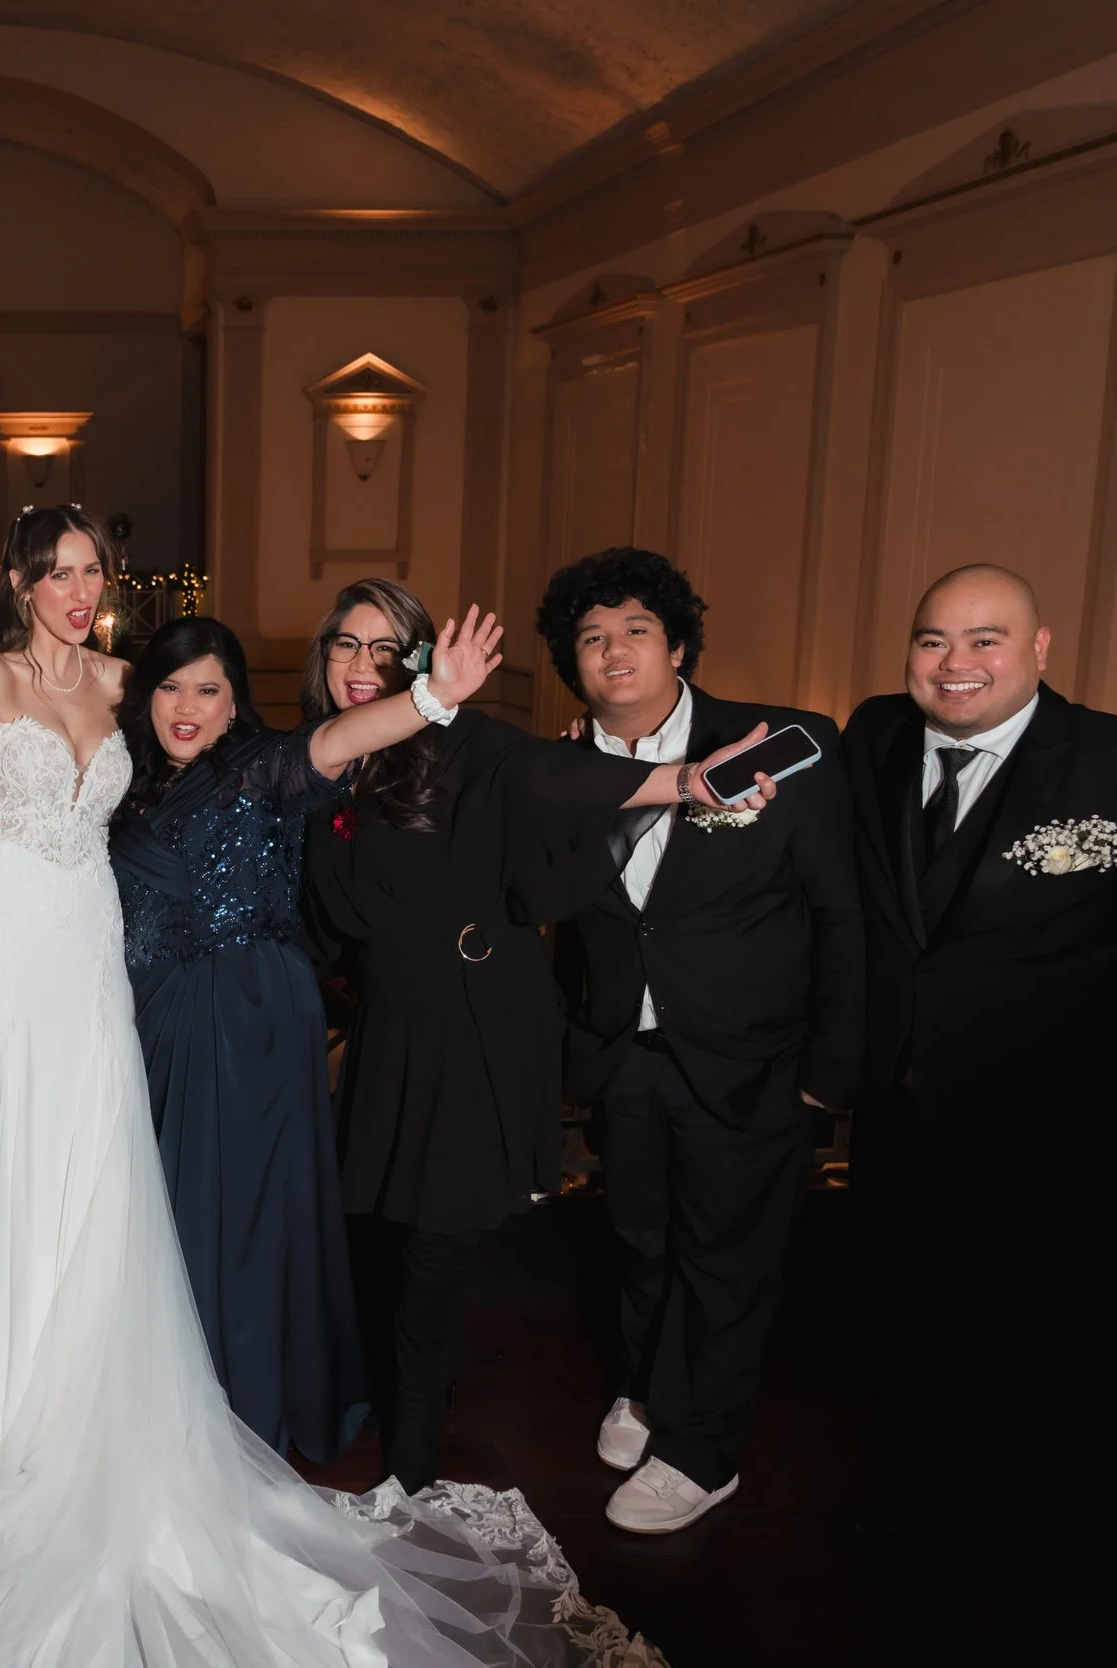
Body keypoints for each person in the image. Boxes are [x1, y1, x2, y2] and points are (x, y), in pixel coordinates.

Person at [0, 508, 674, 1667]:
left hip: (89, 953)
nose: (79, 591)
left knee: (94, 1163)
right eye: (58, 573)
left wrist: (433, 699)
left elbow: (313, 747)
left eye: (93, 572)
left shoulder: (128, 681)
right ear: (20, 582)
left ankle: (75, 1389)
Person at [301, 577, 779, 1499]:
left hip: (471, 1020)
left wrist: (684, 781)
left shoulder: (465, 743)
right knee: (389, 1235)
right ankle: (416, 1399)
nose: (365, 666)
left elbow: (549, 775)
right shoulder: (320, 761)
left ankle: (410, 1472)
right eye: (347, 645)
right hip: (390, 1026)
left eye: (389, 648)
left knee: (433, 1245)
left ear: (424, 662)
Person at [836, 566, 1117, 1578]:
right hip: (895, 1105)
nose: (956, 664)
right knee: (907, 1319)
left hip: (1055, 1119)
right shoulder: (875, 732)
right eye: (933, 640)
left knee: (1046, 1335)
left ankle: (1048, 1551)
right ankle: (921, 1512)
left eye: (986, 639)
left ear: (1039, 648)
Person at [537, 548, 863, 1535]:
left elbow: (839, 912)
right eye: (591, 638)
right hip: (627, 1059)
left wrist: (830, 1069)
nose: (614, 651)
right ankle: (646, 1387)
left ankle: (702, 1451)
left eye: (636, 630)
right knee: (643, 1244)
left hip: (753, 1063)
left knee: (728, 1264)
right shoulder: (559, 770)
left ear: (677, 645)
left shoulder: (781, 745)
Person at [111, 612, 484, 1463]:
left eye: (209, 689)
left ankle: (243, 1406)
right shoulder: (127, 779)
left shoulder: (259, 767)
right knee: (162, 1213)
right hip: (149, 1015)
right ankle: (167, 1396)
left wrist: (431, 697)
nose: (187, 707)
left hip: (245, 1017)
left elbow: (340, 738)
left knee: (244, 1214)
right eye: (170, 687)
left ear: (235, 700)